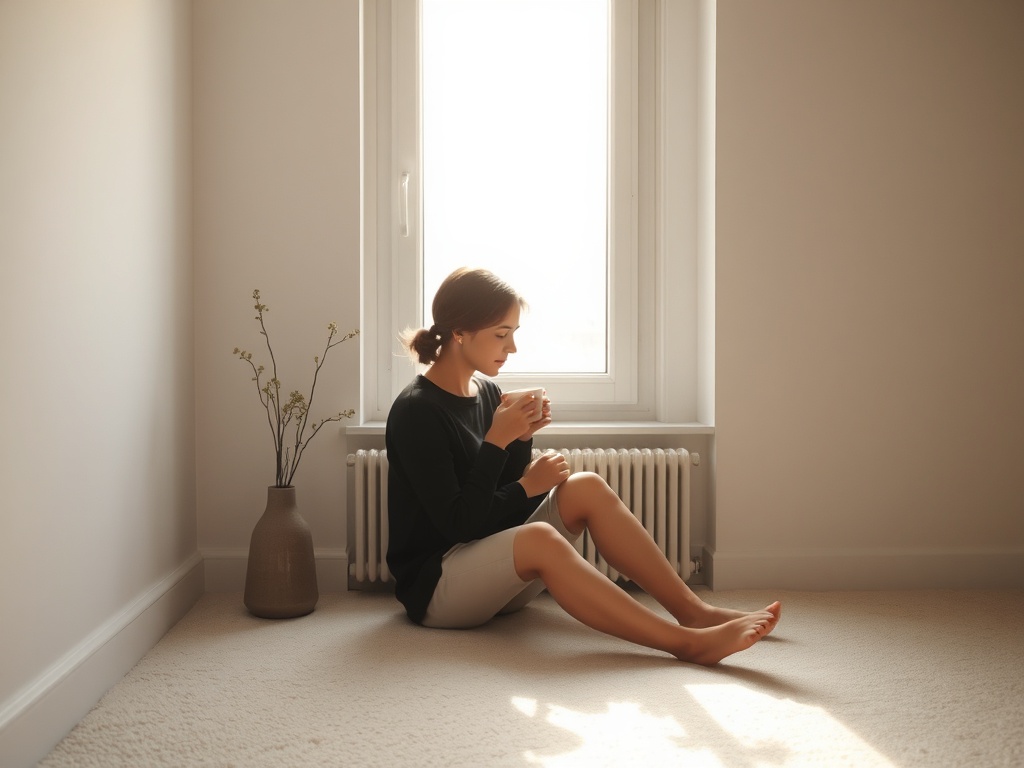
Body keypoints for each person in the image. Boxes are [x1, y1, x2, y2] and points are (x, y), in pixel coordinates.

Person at [385, 267, 780, 664]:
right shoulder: (416, 412)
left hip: (493, 577)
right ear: (459, 332)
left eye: (514, 334)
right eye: (502, 335)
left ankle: (696, 613)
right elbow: (459, 524)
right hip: (438, 589)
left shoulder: (486, 392)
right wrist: (511, 461)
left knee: (584, 486)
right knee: (539, 538)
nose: (512, 348)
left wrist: (521, 441)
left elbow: (496, 508)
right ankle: (685, 644)